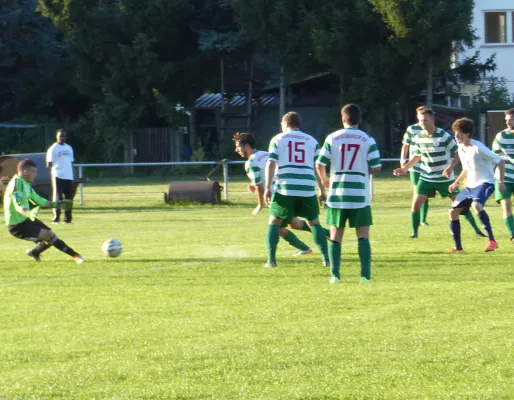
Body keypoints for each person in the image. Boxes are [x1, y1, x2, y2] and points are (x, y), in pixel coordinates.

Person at [393, 107, 484, 238]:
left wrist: (451, 167)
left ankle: (476, 230)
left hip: (444, 179)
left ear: (433, 120)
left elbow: (457, 152)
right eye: (420, 120)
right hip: (426, 177)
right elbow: (417, 156)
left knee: (461, 205)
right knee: (415, 204)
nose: (422, 123)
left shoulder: (443, 136)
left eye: (425, 120)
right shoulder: (418, 137)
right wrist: (405, 168)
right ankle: (414, 233)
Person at [316, 104, 381, 284]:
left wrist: (324, 179)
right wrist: (362, 168)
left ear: (343, 119)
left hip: (337, 193)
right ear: (358, 120)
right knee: (363, 235)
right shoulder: (367, 139)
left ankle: (335, 276)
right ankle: (365, 276)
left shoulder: (333, 137)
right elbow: (376, 166)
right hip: (359, 193)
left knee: (336, 234)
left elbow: (320, 163)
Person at [233, 132, 317, 256]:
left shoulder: (250, 163)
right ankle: (325, 235)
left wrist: (259, 204)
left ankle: (304, 249)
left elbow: (259, 185)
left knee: (277, 228)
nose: (236, 150)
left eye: (238, 146)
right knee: (295, 224)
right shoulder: (264, 154)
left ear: (246, 145)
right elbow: (267, 174)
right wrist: (255, 185)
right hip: (286, 190)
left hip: (277, 197)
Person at [264, 112, 330, 268]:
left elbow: (271, 164)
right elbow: (318, 166)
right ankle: (326, 259)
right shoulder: (312, 141)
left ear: (285, 123)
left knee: (274, 222)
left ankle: (271, 261)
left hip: (286, 188)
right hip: (307, 188)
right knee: (314, 223)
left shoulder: (278, 139)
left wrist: (267, 187)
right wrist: (322, 190)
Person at [3, 159, 84, 264]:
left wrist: (57, 203)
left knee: (50, 235)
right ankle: (76, 256)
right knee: (48, 235)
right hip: (17, 225)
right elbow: (19, 203)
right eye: (33, 172)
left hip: (25, 220)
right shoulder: (18, 185)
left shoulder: (25, 184)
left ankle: (35, 252)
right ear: (25, 172)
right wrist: (24, 210)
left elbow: (41, 201)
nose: (35, 175)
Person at [448, 118, 505, 253]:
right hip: (470, 186)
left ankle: (492, 241)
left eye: (459, 133)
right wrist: (456, 182)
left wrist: (501, 182)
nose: (456, 136)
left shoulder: (478, 148)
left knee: (476, 205)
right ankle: (458, 248)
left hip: (485, 183)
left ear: (467, 134)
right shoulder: (461, 148)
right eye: (455, 133)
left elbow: (500, 161)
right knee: (452, 212)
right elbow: (466, 169)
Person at [401, 106, 430, 226]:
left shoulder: (430, 129)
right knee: (417, 192)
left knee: (426, 193)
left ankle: (423, 219)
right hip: (415, 166)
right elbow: (405, 145)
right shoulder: (412, 129)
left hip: (427, 166)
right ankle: (416, 219)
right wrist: (403, 161)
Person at [492, 108, 514, 241]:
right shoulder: (501, 136)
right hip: (504, 177)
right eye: (506, 120)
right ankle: (513, 234)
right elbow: (493, 157)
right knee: (506, 205)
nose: (508, 122)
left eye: (511, 119)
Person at [46, 129, 75, 224]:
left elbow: (71, 162)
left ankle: (68, 219)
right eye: (60, 136)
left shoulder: (69, 148)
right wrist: (57, 166)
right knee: (58, 198)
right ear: (57, 137)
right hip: (58, 175)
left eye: (63, 136)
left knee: (68, 198)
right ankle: (56, 218)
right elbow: (49, 164)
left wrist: (72, 173)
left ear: (66, 137)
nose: (62, 138)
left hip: (68, 176)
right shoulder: (53, 148)